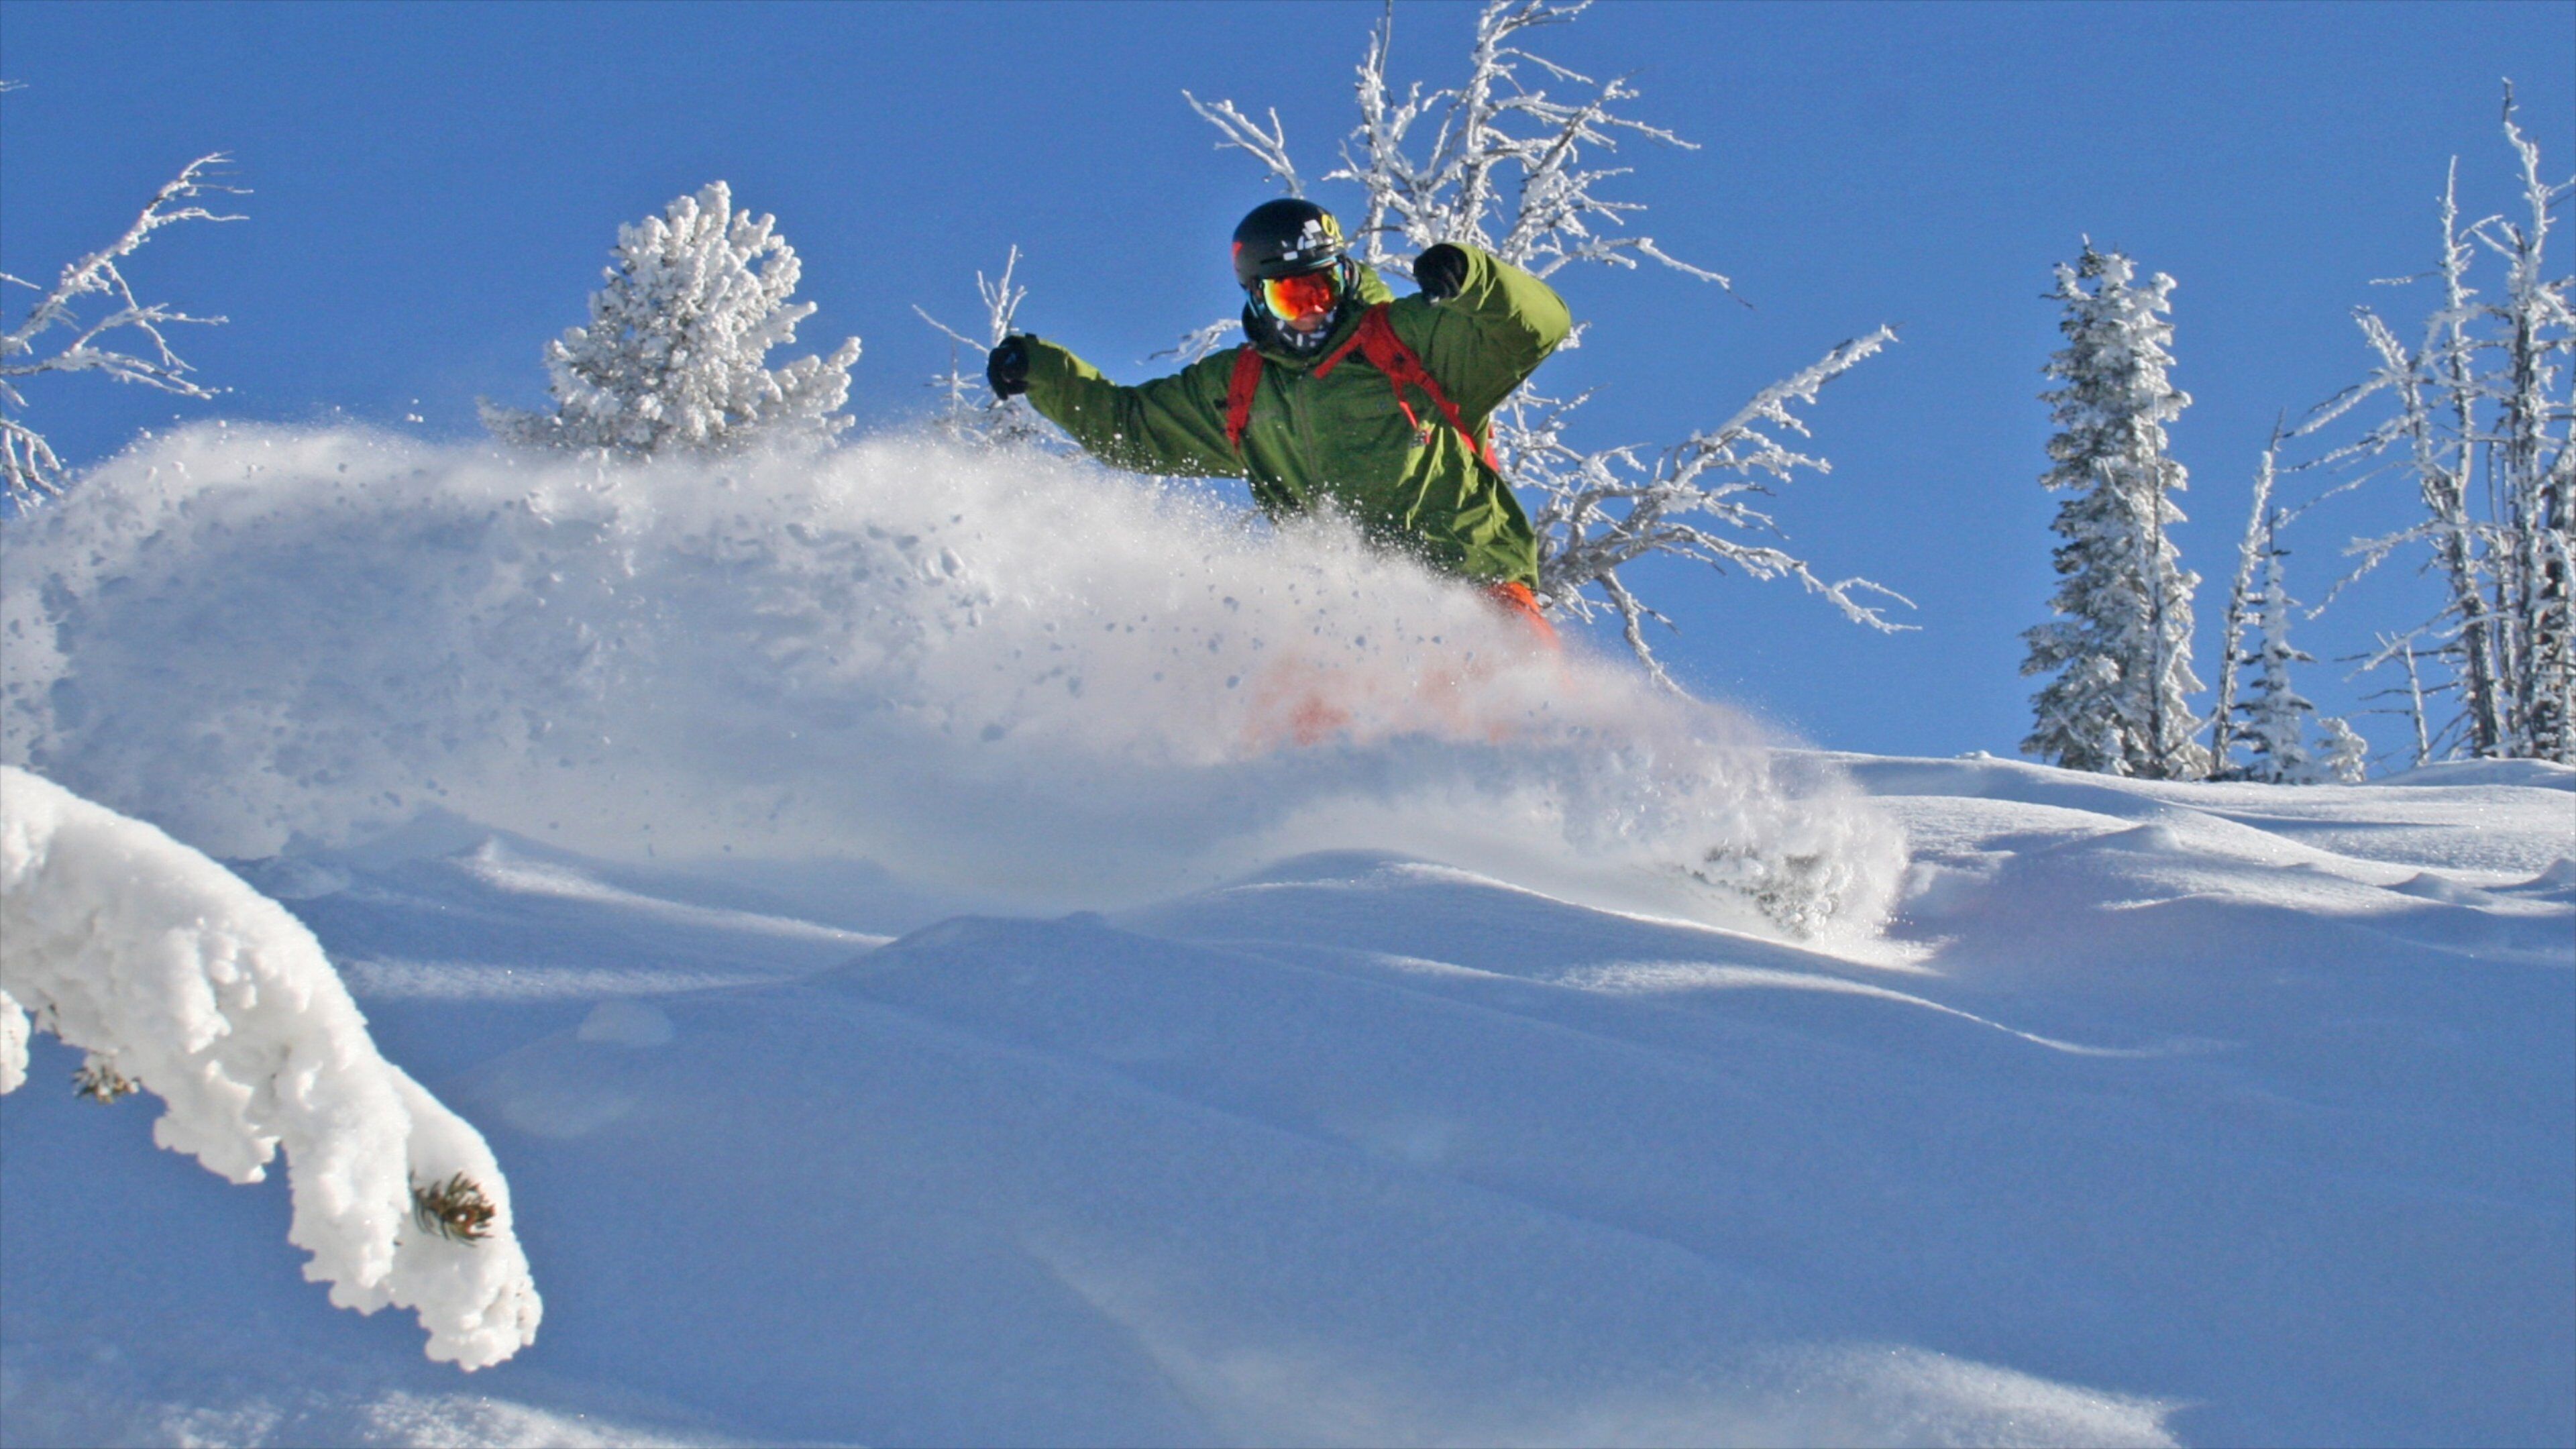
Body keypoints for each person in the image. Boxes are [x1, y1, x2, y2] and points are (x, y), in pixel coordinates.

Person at [985, 199, 1571, 636]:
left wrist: (1473, 278)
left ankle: (1558, 780)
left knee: (1521, 701)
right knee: (1292, 721)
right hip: (1353, 621)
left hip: (1472, 585)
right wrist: (1042, 370)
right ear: (1258, 299)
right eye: (1294, 298)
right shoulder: (1242, 385)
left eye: (1325, 287)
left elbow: (1539, 327)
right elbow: (1132, 430)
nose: (1315, 310)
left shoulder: (1406, 339)